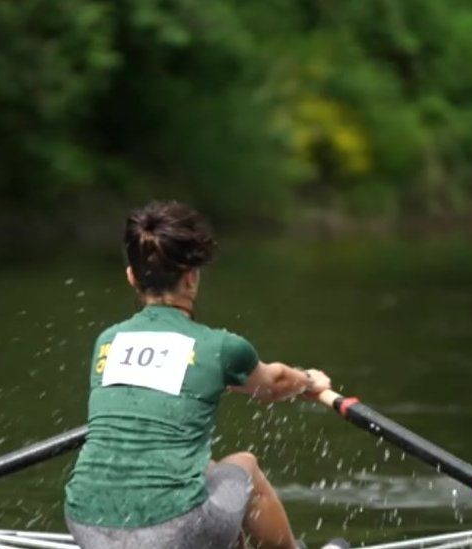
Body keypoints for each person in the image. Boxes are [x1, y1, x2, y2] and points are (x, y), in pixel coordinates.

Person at [64, 201, 333, 549]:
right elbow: (275, 384)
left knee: (207, 471)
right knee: (243, 466)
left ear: (131, 276)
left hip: (85, 524)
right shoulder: (219, 347)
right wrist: (308, 381)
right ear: (191, 276)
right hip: (174, 532)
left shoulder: (108, 343)